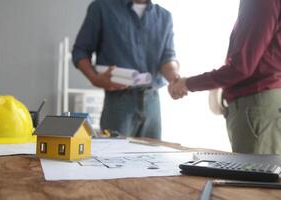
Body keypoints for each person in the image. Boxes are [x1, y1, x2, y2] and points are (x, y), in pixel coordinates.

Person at [169, 0, 281, 154]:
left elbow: (241, 67)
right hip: (262, 106)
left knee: (253, 177)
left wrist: (188, 83)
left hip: (256, 106)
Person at [72, 0, 179, 139]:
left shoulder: (165, 16)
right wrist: (94, 78)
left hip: (152, 101)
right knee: (112, 157)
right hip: (118, 101)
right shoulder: (101, 8)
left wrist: (175, 78)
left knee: (152, 157)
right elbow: (80, 51)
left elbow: (168, 57)